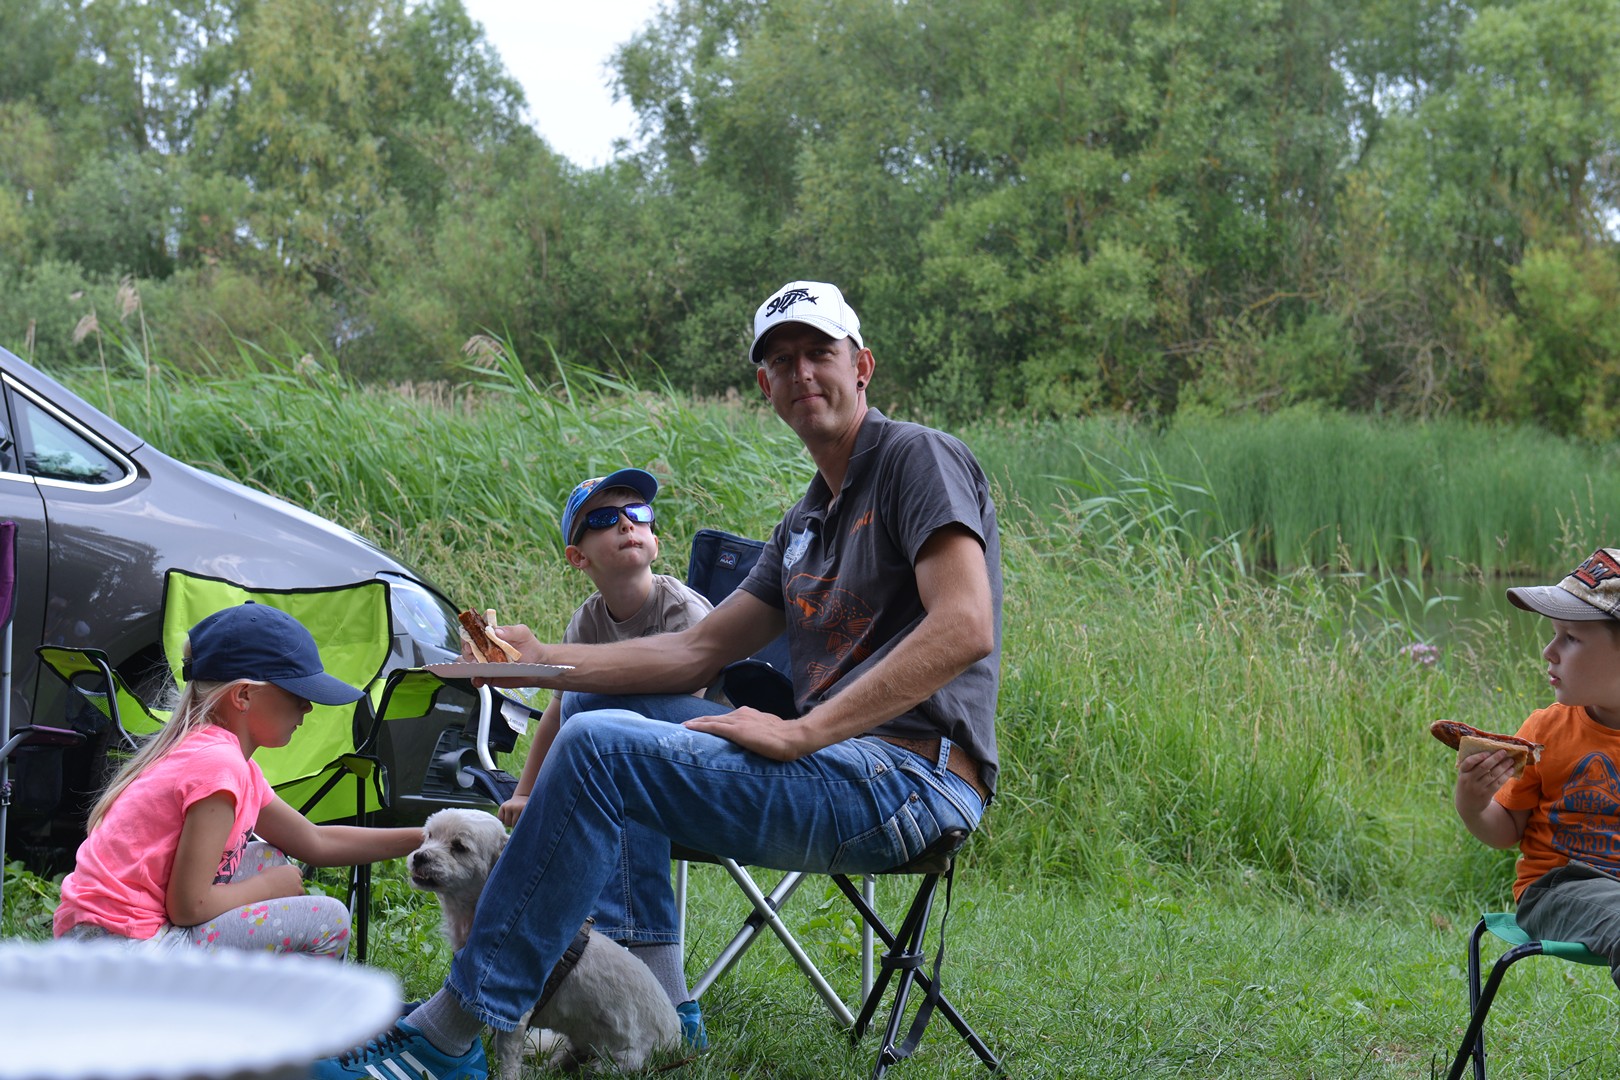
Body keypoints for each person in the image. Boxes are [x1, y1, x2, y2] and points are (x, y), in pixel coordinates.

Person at [315, 279, 1002, 1079]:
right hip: (842, 768)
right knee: (593, 708)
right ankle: (661, 1002)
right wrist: (536, 660)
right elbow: (692, 653)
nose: (803, 372)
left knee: (599, 747)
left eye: (820, 352)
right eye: (782, 361)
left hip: (911, 778)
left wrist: (804, 730)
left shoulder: (914, 459)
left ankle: (452, 1031)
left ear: (863, 366)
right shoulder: (806, 519)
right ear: (765, 386)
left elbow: (964, 624)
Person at [53, 602, 422, 957]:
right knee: (330, 921)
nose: (308, 707)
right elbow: (188, 906)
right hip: (123, 950)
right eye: (297, 693)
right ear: (244, 695)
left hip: (104, 938)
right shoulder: (218, 765)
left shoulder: (220, 758)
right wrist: (266, 887)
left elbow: (315, 841)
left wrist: (428, 838)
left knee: (267, 859)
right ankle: (277, 1004)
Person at [497, 467, 713, 1040]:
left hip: (714, 762)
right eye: (603, 518)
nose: (625, 524)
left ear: (655, 539)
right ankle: (625, 990)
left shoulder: (679, 607)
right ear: (578, 557)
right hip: (639, 771)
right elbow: (557, 709)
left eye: (637, 514)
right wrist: (526, 789)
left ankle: (649, 989)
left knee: (605, 724)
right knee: (598, 741)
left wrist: (597, 700)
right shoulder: (588, 621)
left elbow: (693, 686)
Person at [1453, 547, 1620, 987]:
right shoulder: (1546, 731)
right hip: (1557, 889)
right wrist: (1473, 802)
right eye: (1553, 634)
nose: (1549, 651)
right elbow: (1507, 829)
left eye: (1571, 638)